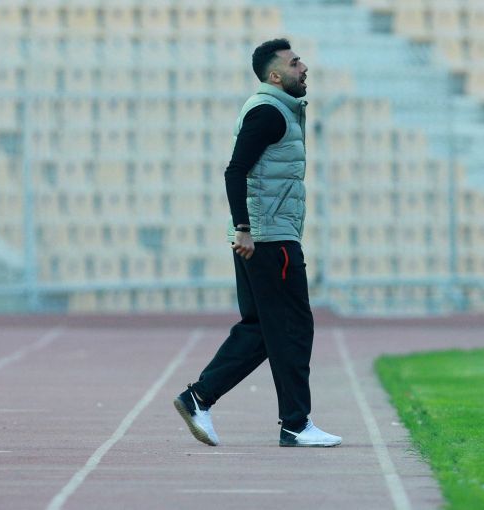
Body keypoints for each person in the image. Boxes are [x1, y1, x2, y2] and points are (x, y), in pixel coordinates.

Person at [173, 38, 341, 448]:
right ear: (276, 75)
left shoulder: (278, 109)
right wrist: (244, 228)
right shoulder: (268, 112)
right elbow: (235, 171)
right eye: (295, 62)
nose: (304, 67)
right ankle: (296, 424)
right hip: (269, 239)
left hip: (266, 235)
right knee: (293, 328)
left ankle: (199, 398)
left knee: (263, 328)